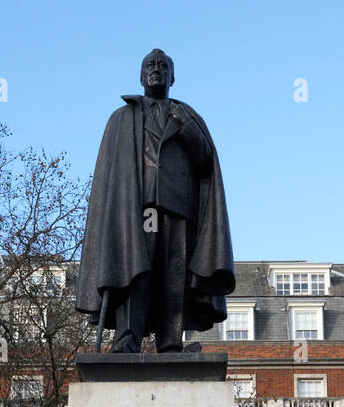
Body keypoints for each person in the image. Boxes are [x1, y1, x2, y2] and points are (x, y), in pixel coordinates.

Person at [76, 49, 235, 353]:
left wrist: (186, 126)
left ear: (173, 77)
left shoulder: (188, 115)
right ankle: (127, 341)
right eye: (151, 65)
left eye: (164, 66)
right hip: (138, 209)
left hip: (179, 209)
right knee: (136, 270)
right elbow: (111, 175)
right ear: (141, 75)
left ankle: (171, 344)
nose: (157, 70)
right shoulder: (122, 118)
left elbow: (205, 162)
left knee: (174, 276)